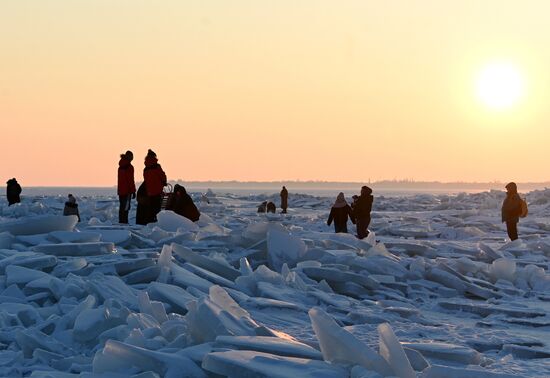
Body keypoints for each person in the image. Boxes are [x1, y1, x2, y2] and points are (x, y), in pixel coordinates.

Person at [143, 149, 167, 224]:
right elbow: (162, 175)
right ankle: (156, 221)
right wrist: (164, 182)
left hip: (150, 191)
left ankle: (149, 221)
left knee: (151, 207)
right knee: (157, 207)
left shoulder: (146, 168)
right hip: (157, 190)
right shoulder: (157, 166)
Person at [117, 151, 136, 224]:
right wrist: (133, 191)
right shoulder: (129, 167)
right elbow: (131, 180)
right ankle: (124, 222)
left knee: (122, 206)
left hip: (121, 191)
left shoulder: (120, 167)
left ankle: (121, 221)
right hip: (127, 191)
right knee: (126, 207)